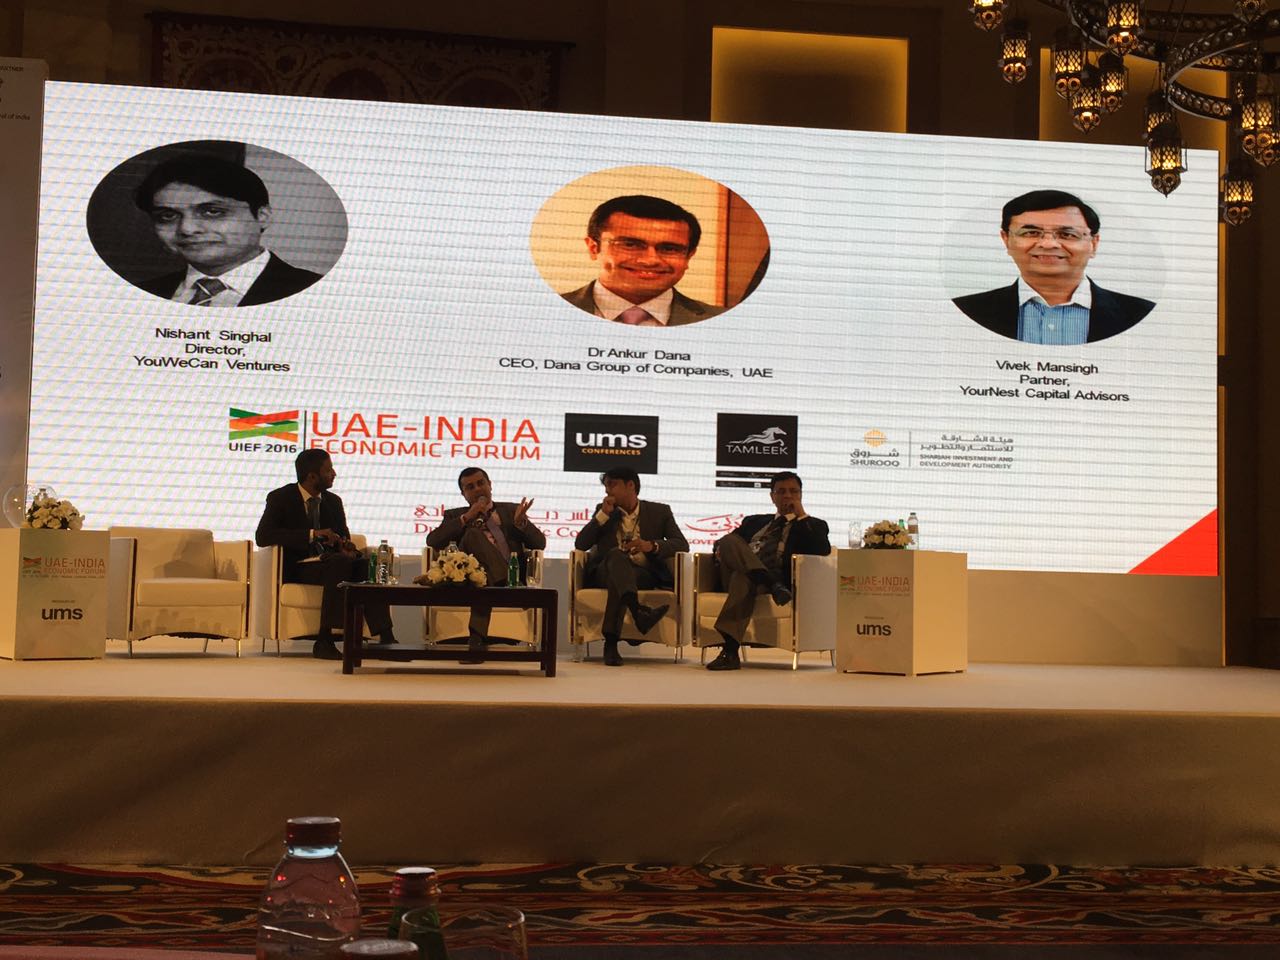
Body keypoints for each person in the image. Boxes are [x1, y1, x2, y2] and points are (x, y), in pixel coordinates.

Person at [952, 189, 1155, 345]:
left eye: (1067, 234)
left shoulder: (1141, 314)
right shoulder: (964, 311)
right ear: (1006, 240)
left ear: (1093, 244)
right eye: (1031, 233)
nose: (1048, 244)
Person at [255, 448, 394, 660]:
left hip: (332, 563)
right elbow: (263, 536)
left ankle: (386, 636)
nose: (334, 474)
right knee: (337, 563)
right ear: (312, 476)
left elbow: (344, 537)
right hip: (299, 566)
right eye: (328, 470)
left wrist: (347, 548)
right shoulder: (281, 497)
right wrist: (312, 535)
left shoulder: (333, 501)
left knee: (365, 565)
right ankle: (325, 639)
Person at [134, 154, 322, 307]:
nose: (187, 229)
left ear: (262, 216)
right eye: (168, 216)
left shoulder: (316, 292)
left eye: (212, 212)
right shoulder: (138, 294)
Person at [705, 472, 831, 671]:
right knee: (727, 540)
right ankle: (771, 582)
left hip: (769, 580)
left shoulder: (812, 524)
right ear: (772, 496)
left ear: (801, 495)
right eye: (781, 491)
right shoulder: (753, 521)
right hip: (773, 587)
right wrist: (721, 550)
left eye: (793, 491)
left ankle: (730, 652)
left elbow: (822, 549)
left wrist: (801, 515)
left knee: (743, 577)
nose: (787, 496)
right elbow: (727, 545)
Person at [421, 467, 546, 659]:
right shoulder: (455, 516)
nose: (477, 489)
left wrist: (522, 524)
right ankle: (502, 582)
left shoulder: (511, 511)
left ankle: (476, 638)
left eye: (481, 483)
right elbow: (433, 541)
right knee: (473, 535)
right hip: (475, 580)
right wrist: (467, 517)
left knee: (483, 584)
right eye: (470, 487)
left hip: (498, 578)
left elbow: (539, 544)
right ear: (463, 494)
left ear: (490, 485)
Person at [574, 466, 689, 666]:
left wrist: (651, 545)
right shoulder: (604, 512)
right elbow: (581, 544)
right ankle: (638, 613)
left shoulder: (659, 512)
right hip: (605, 571)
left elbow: (681, 544)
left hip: (642, 574)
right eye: (606, 486)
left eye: (612, 485)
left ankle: (611, 643)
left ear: (630, 486)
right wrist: (602, 515)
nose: (607, 491)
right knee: (616, 556)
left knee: (619, 581)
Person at [561, 195, 725, 326]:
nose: (650, 260)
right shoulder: (550, 311)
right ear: (593, 248)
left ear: (689, 256)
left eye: (669, 249)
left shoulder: (723, 322)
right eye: (630, 245)